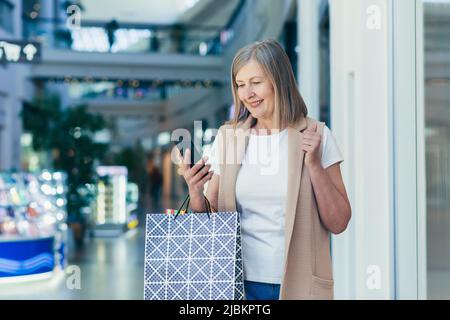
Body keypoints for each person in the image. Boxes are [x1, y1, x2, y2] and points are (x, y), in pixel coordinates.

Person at [177, 39, 351, 300]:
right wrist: (195, 192)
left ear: (278, 80)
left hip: (299, 284)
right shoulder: (228, 138)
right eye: (240, 85)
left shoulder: (317, 135)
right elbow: (210, 220)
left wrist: (314, 165)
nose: (248, 94)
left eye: (256, 82)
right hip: (236, 283)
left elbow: (339, 222)